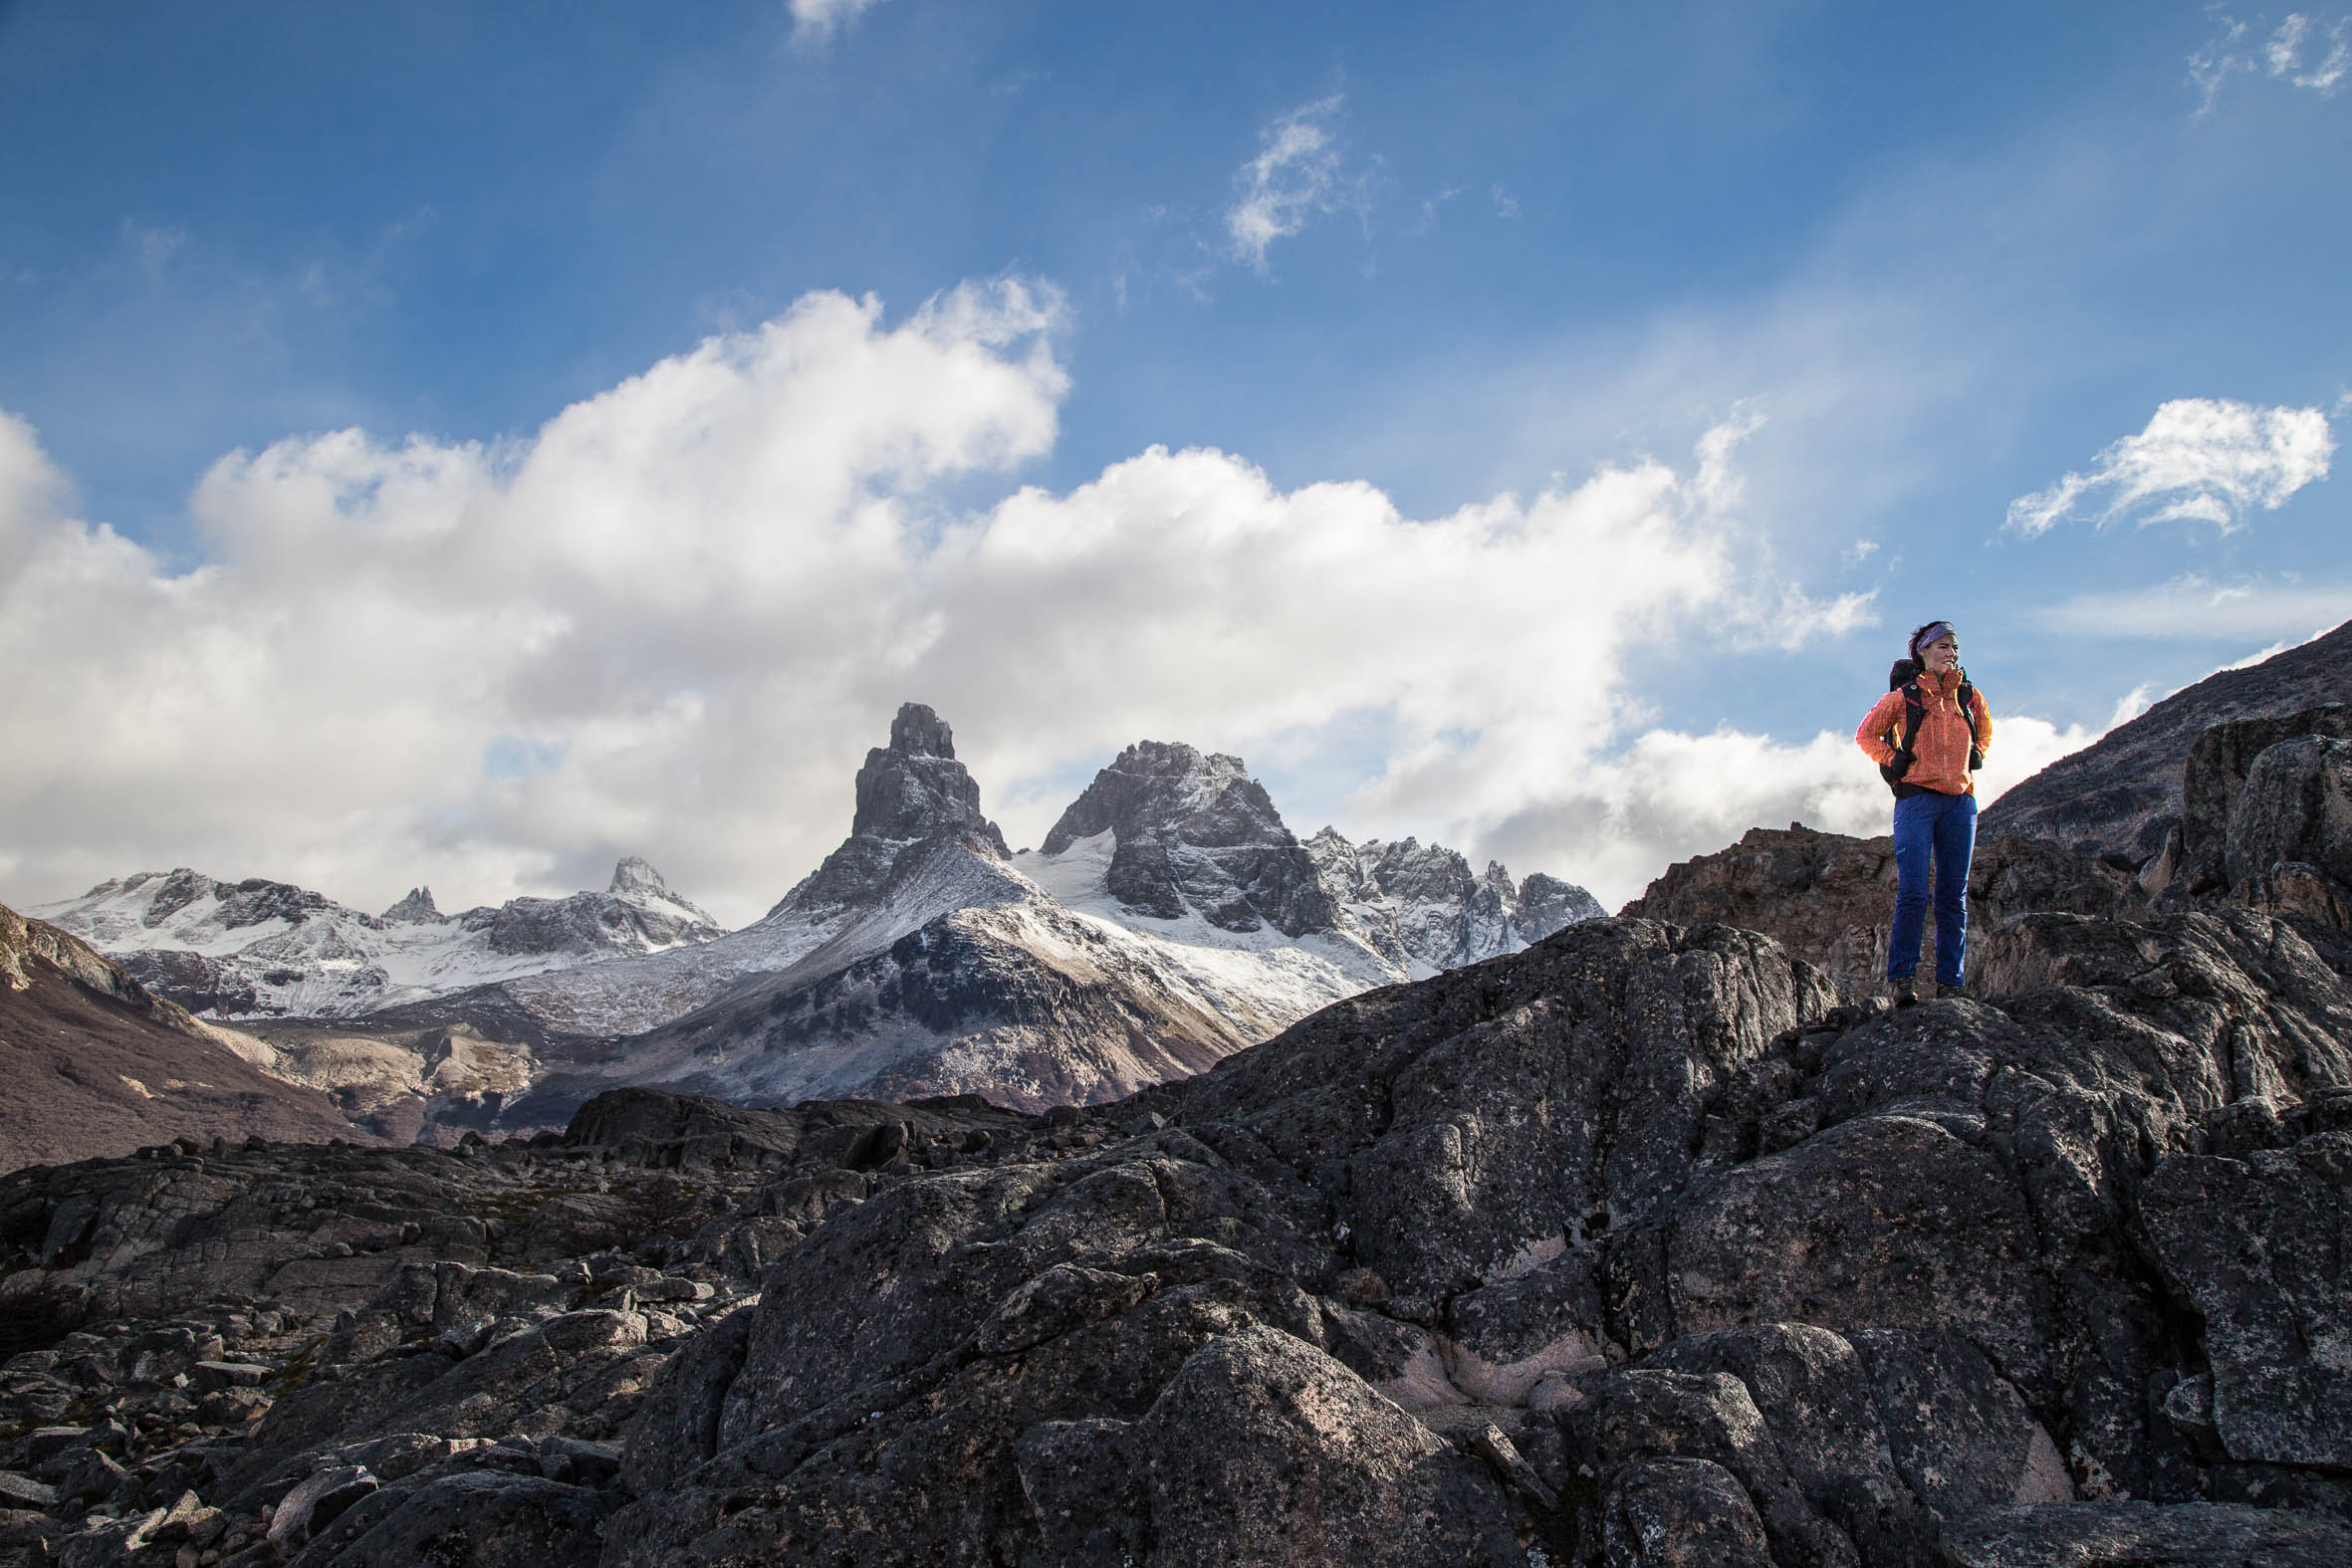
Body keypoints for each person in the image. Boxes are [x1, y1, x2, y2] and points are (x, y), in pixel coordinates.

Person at [1855, 621, 1993, 1006]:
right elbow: (1866, 735)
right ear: (1924, 651)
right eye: (1944, 646)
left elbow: (1984, 729)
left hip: (1960, 802)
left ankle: (1952, 983)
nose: (1952, 652)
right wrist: (1894, 758)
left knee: (1953, 896)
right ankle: (1902, 981)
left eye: (1955, 647)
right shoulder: (1903, 698)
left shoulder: (1968, 695)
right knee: (1914, 892)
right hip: (1916, 800)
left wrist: (1978, 753)